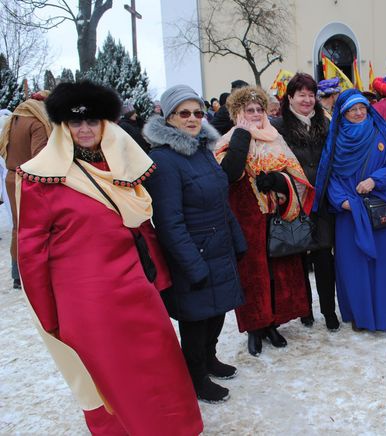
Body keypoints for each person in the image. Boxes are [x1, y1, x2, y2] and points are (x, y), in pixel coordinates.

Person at [16, 81, 202, 434]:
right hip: (86, 301)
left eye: (93, 121)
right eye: (75, 122)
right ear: (62, 126)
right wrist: (48, 314)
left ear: (105, 124)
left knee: (160, 367)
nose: (85, 129)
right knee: (113, 376)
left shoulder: (120, 163)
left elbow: (142, 229)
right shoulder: (42, 178)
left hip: (135, 288)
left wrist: (158, 280)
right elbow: (31, 251)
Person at [143, 84, 247, 403]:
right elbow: (169, 221)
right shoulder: (162, 159)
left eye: (198, 113)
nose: (193, 119)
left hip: (219, 244)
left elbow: (219, 197)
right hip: (193, 250)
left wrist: (237, 240)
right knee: (196, 318)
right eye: (184, 113)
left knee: (217, 311)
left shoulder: (202, 149)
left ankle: (210, 358)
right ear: (168, 116)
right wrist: (192, 263)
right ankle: (196, 375)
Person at [215, 86, 314, 356]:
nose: (257, 114)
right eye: (250, 110)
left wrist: (278, 181)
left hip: (275, 215)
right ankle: (255, 328)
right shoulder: (227, 140)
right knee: (252, 274)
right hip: (245, 216)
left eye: (260, 109)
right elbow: (230, 173)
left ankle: (273, 323)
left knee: (278, 271)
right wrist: (243, 135)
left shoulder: (274, 137)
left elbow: (293, 175)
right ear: (238, 113)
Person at [313, 89, 386, 331]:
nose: (358, 113)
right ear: (342, 114)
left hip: (380, 210)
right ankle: (360, 317)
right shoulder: (335, 140)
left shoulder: (381, 134)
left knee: (385, 265)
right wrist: (341, 201)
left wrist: (375, 180)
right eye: (352, 109)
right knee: (354, 268)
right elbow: (328, 175)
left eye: (361, 107)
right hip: (349, 214)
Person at [271, 73, 339, 331]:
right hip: (294, 201)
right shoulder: (278, 127)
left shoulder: (327, 123)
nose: (307, 100)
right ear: (290, 97)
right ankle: (305, 309)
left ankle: (329, 310)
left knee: (324, 255)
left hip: (322, 199)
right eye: (302, 94)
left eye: (311, 95)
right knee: (298, 258)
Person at [0, 91, 51, 290]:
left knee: (18, 227)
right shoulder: (37, 121)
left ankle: (16, 273)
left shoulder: (15, 118)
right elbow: (39, 157)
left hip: (13, 177)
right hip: (30, 180)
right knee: (35, 228)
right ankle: (30, 273)